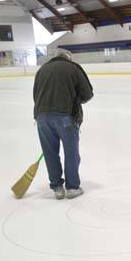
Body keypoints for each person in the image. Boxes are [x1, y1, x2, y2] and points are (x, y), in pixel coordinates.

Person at [33, 49, 94, 199]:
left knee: (50, 153)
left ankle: (57, 188)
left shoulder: (42, 70)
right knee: (71, 153)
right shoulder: (73, 67)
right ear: (69, 58)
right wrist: (73, 100)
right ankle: (72, 187)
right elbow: (87, 93)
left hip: (42, 118)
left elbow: (35, 95)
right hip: (66, 116)